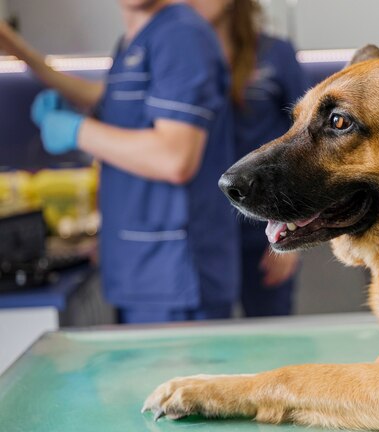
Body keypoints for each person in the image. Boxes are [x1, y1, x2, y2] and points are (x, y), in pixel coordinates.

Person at [0, 0, 240, 323]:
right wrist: (20, 52)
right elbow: (106, 97)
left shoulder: (181, 36)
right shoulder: (135, 39)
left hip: (172, 275)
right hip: (143, 271)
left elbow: (176, 157)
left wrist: (77, 130)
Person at [186, 0, 307, 317]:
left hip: (265, 222)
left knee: (270, 337)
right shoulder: (179, 57)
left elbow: (307, 139)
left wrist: (293, 231)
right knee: (210, 346)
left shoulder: (274, 53)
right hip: (202, 229)